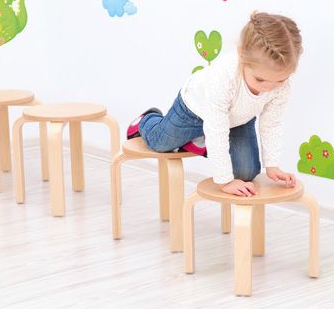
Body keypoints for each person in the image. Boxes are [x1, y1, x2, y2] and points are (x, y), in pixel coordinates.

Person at [126, 11, 303, 197]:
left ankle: (201, 141)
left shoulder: (281, 84)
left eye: (280, 80)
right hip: (192, 111)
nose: (269, 88)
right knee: (159, 143)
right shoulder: (224, 76)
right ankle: (148, 119)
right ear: (241, 55)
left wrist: (272, 164)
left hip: (237, 119)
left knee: (246, 173)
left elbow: (272, 122)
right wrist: (224, 181)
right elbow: (216, 127)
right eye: (260, 79)